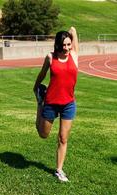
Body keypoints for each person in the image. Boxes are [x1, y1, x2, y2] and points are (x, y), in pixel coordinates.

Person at [33, 26, 78, 182]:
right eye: (63, 45)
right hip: (51, 102)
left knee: (63, 138)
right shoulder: (51, 57)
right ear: (58, 45)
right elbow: (43, 73)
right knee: (43, 134)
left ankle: (59, 170)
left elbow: (73, 31)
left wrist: (70, 31)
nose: (66, 48)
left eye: (68, 44)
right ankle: (40, 103)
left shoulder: (74, 55)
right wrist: (36, 87)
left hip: (69, 104)